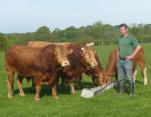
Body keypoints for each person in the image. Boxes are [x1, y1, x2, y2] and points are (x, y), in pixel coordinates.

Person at [117, 23, 141, 96]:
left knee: (129, 77)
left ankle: (131, 93)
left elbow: (139, 46)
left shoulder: (131, 38)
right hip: (120, 60)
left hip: (128, 61)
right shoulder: (119, 38)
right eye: (120, 30)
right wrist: (117, 56)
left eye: (123, 29)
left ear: (127, 29)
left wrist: (132, 55)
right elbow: (118, 48)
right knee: (121, 78)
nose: (121, 31)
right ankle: (121, 92)